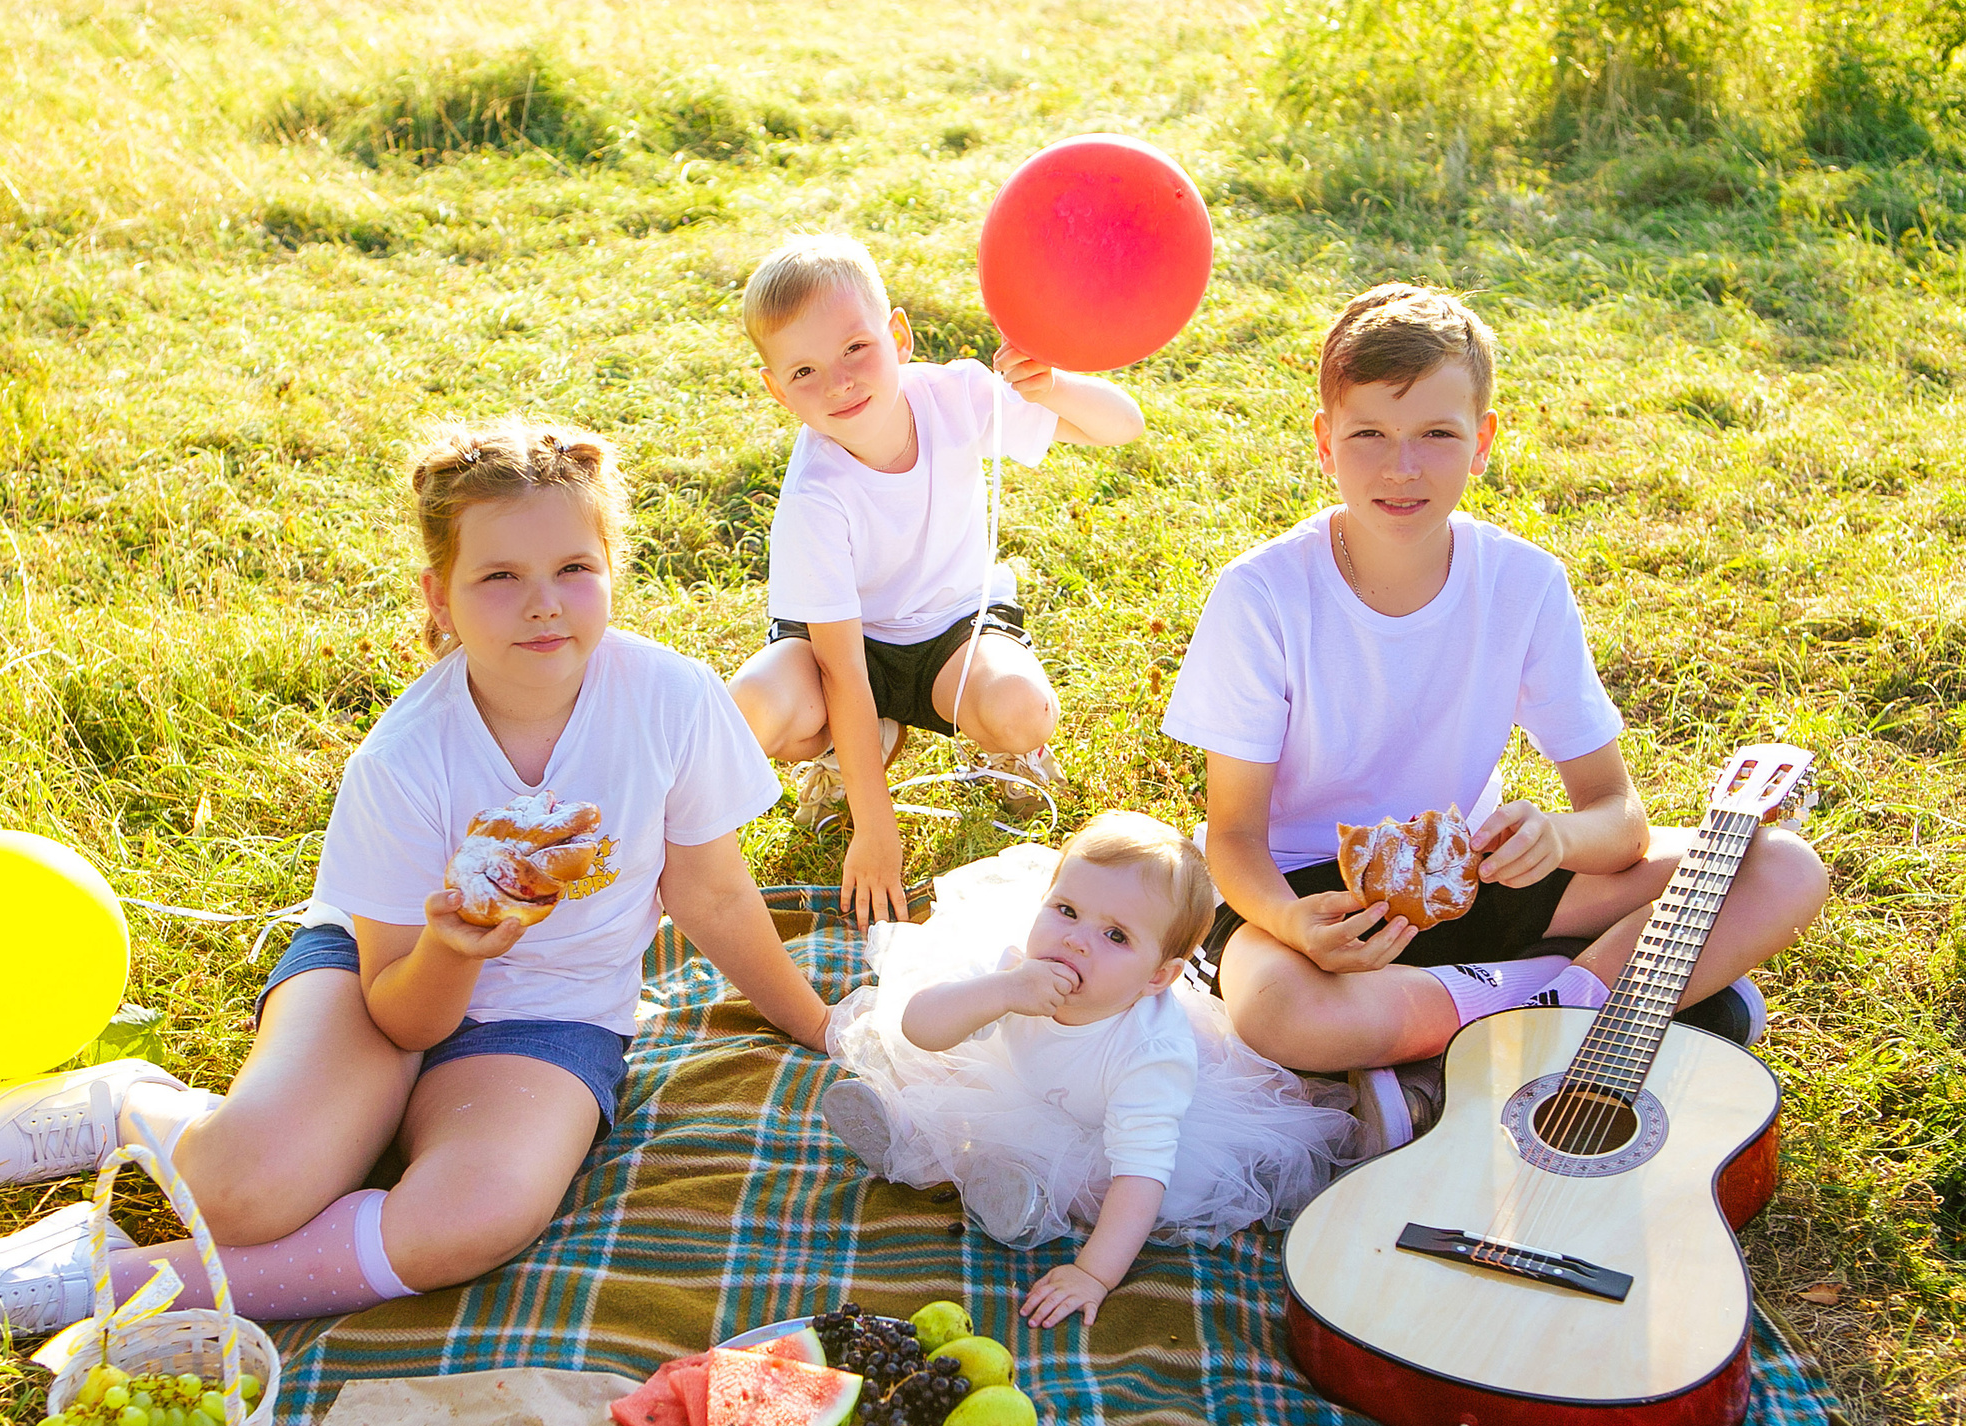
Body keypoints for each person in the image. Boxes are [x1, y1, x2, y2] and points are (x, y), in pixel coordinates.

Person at [0, 420, 831, 1355]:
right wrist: (453, 949)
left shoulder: (672, 699)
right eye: (500, 577)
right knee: (243, 1191)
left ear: (611, 570)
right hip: (378, 979)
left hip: (553, 1015)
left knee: (475, 1215)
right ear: (441, 595)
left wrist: (822, 1025)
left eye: (574, 568)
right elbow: (402, 1015)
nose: (545, 605)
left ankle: (108, 1273)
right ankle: (137, 1107)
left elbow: (711, 897)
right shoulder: (404, 756)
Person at [1161, 283, 1829, 1150]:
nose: (1402, 467)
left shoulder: (1524, 582)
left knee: (1780, 864)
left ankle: (1539, 1017)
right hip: (1320, 902)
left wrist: (1554, 837)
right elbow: (1235, 839)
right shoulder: (1261, 595)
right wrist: (1294, 924)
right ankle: (1625, 999)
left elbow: (1617, 816)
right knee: (1279, 1011)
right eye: (1369, 434)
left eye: (1437, 435)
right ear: (1326, 445)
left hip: (1479, 875)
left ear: (1482, 443)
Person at [725, 233, 1146, 928]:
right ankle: (861, 743)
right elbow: (840, 668)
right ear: (776, 390)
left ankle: (993, 752)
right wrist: (875, 824)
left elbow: (1121, 426)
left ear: (899, 335)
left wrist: (1055, 384)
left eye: (855, 348)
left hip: (953, 632)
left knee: (1022, 710)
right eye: (804, 372)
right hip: (841, 650)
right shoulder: (816, 497)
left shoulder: (956, 397)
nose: (838, 383)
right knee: (750, 707)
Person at [819, 813, 1354, 1329]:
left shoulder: (1149, 1057)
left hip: (1097, 1128)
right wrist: (1001, 991)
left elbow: (1140, 1177)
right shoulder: (1018, 973)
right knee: (945, 1068)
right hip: (1015, 1079)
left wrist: (1092, 1273)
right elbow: (921, 1027)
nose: (1076, 939)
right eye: (1067, 911)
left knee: (1095, 1190)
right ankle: (904, 1131)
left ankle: (1023, 1196)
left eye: (1116, 936)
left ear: (1158, 977)